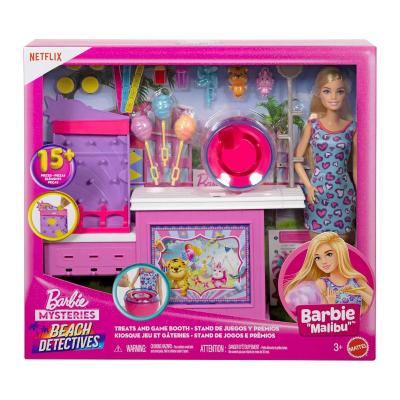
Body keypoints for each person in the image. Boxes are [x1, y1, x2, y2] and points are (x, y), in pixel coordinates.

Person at [294, 67, 357, 242]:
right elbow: (297, 160)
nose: (334, 97)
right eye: (327, 91)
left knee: (342, 250)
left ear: (345, 94)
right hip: (317, 193)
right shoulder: (313, 125)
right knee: (317, 248)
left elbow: (356, 167)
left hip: (344, 195)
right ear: (319, 94)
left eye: (340, 91)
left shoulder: (352, 128)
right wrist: (308, 186)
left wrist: (362, 195)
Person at [284, 232, 373, 314]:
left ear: (340, 253)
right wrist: (331, 303)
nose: (323, 262)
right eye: (317, 258)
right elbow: (322, 317)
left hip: (359, 324)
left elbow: (375, 304)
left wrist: (359, 291)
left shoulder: (356, 280)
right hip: (336, 324)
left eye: (329, 254)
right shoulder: (322, 284)